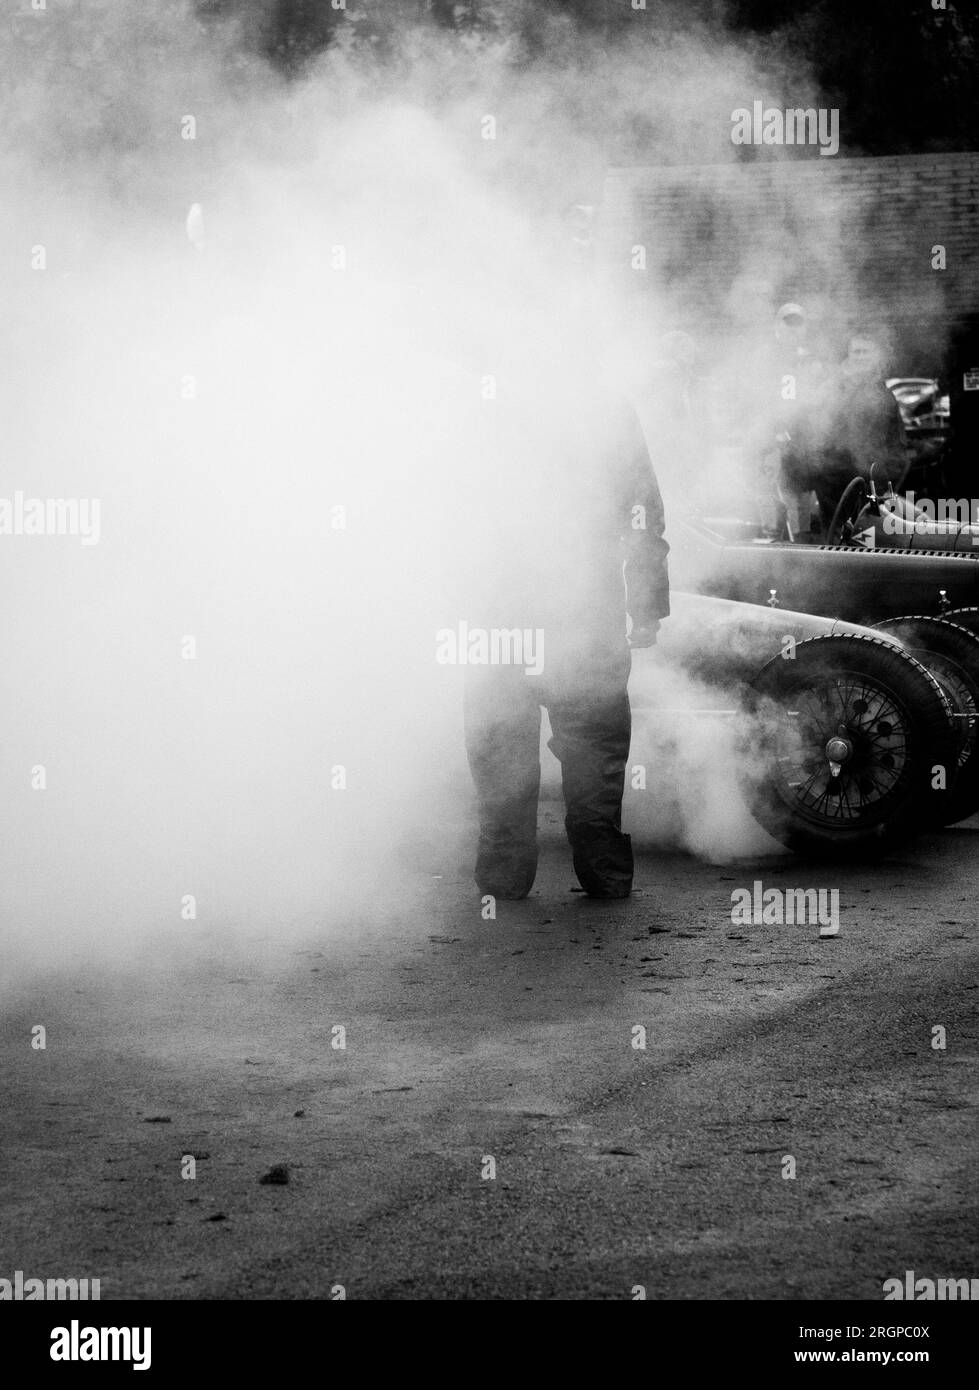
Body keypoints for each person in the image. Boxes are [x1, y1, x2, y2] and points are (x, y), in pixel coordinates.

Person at [461, 372, 669, 901]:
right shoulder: (604, 404)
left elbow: (443, 514)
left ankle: (505, 874)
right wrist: (645, 606)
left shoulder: (484, 399)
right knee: (593, 740)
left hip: (500, 611)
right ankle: (603, 872)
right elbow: (642, 513)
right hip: (584, 609)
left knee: (501, 739)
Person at [811, 332, 908, 533]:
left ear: (876, 357)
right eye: (857, 351)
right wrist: (820, 474)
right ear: (849, 354)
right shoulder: (831, 389)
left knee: (872, 543)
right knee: (837, 544)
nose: (861, 356)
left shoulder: (884, 395)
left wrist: (887, 480)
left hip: (874, 484)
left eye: (866, 352)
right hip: (835, 485)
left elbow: (897, 442)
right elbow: (814, 432)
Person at [746, 303, 825, 540]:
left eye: (797, 325)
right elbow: (756, 401)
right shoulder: (763, 358)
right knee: (770, 501)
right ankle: (770, 551)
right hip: (770, 442)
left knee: (799, 502)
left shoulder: (811, 361)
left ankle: (799, 550)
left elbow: (818, 403)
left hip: (800, 444)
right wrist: (772, 437)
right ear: (776, 327)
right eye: (787, 324)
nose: (792, 330)